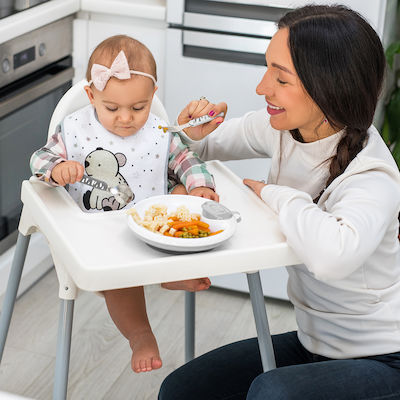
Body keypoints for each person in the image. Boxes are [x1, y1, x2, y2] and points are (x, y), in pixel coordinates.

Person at [159, 4, 400, 400]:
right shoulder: (287, 130)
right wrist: (194, 132)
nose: (262, 88)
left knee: (272, 394)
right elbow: (195, 146)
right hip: (314, 345)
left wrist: (275, 194)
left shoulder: (372, 175)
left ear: (328, 86)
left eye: (280, 77)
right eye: (267, 68)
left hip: (384, 359)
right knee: (183, 389)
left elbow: (333, 256)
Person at [30, 35, 219, 374]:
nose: (126, 119)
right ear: (91, 96)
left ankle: (174, 272)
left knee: (183, 198)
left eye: (138, 107)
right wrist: (57, 170)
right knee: (122, 278)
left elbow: (186, 159)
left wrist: (200, 187)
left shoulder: (159, 131)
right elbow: (39, 159)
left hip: (152, 227)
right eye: (112, 108)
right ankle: (140, 334)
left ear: (152, 97)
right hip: (100, 238)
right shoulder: (74, 130)